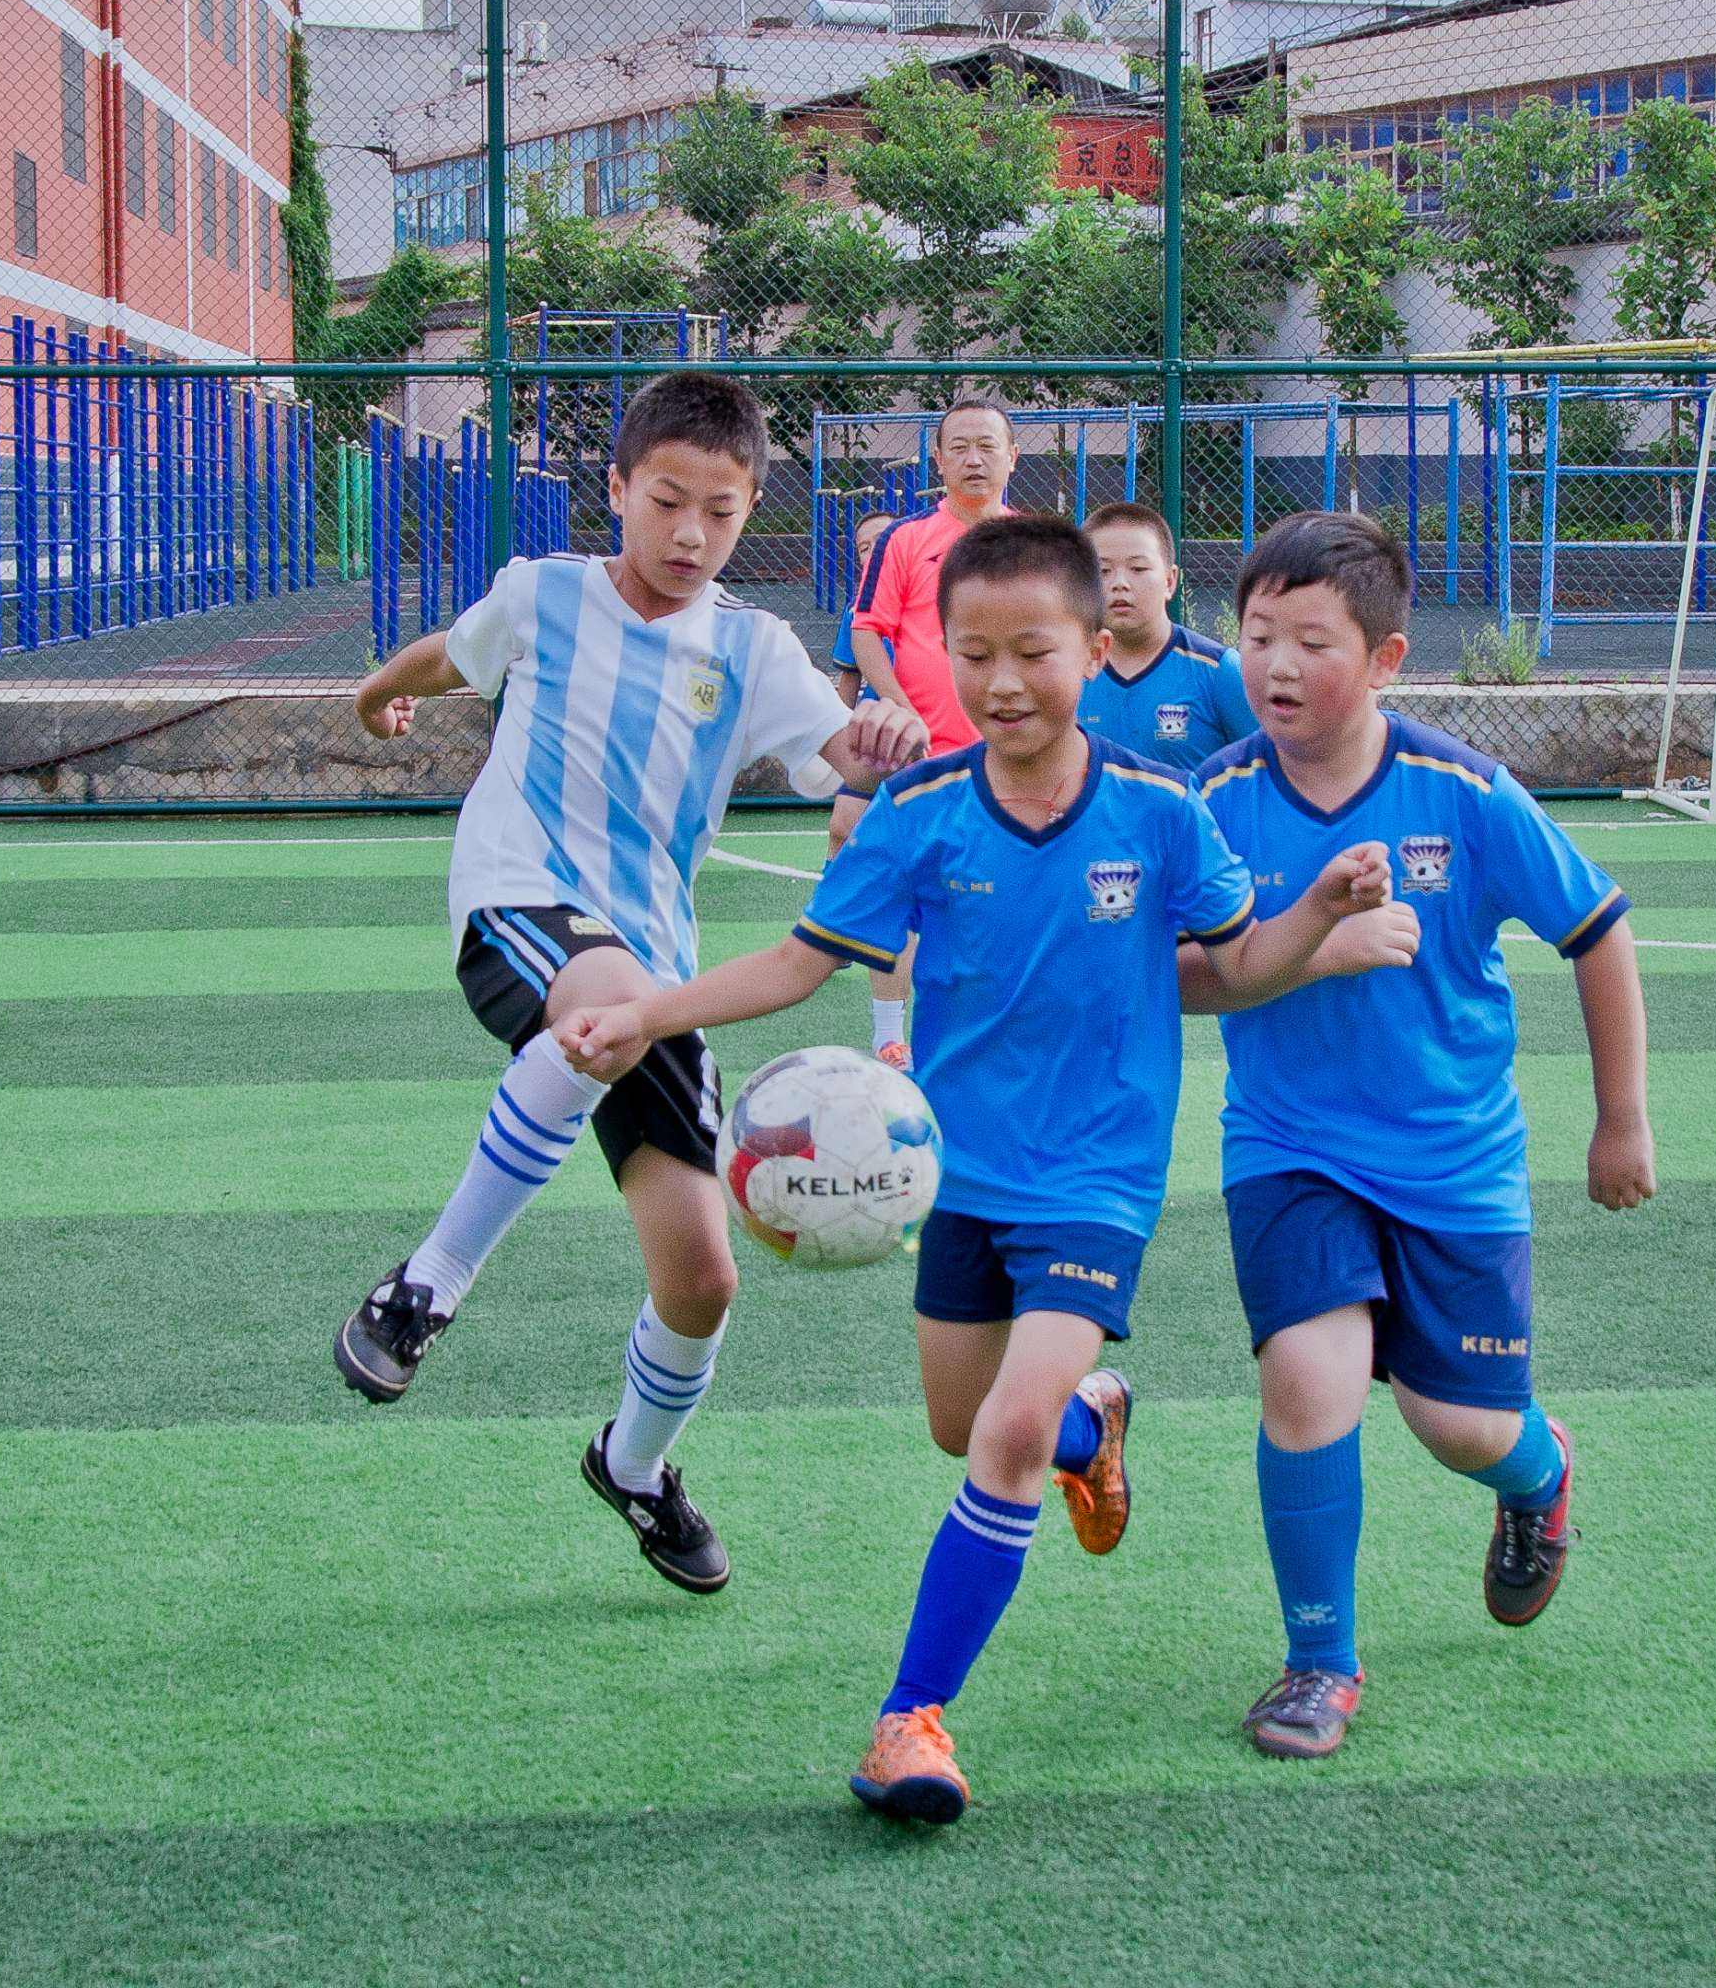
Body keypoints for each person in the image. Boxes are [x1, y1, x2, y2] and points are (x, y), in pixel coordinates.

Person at [555, 515, 1395, 1823]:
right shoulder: (919, 813)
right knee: (969, 1424)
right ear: (945, 655)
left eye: (1033, 651)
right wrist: (649, 1013)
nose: (1004, 682)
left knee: (991, 1435)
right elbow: (796, 963)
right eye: (976, 653)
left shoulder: (1160, 813)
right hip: (949, 1175)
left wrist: (1318, 923)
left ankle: (911, 1723)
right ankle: (1087, 1425)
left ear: (1094, 642)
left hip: (1097, 1180)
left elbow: (1234, 970)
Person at [333, 372, 928, 1597]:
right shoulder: (540, 594)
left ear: (750, 505)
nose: (690, 534)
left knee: (702, 1278)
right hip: (518, 901)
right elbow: (450, 659)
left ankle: (636, 1464)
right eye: (666, 501)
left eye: (720, 509)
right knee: (600, 1010)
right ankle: (425, 1285)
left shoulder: (751, 646)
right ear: (614, 488)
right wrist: (375, 694)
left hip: (652, 957)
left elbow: (839, 755)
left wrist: (878, 750)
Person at [1182, 511, 1654, 1762]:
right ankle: (1317, 1662)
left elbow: (1597, 930)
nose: (1273, 665)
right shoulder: (1213, 798)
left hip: (1453, 1158)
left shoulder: (1463, 793)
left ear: (1385, 659)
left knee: (1453, 1423)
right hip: (1286, 1145)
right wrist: (1310, 945)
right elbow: (1171, 970)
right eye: (1255, 635)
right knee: (1308, 1379)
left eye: (1308, 642)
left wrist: (1620, 1121)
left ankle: (1537, 1474)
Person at [846, 399, 1022, 1071]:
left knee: (1001, 898)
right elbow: (868, 631)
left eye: (988, 446)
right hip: (921, 761)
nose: (975, 459)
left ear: (1012, 458)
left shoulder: (1033, 543)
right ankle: (891, 1037)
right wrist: (901, 713)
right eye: (961, 448)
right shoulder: (905, 540)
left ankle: (991, 1031)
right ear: (939, 462)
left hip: (1006, 761)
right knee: (904, 895)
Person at [1076, 500, 1256, 774]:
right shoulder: (1067, 672)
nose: (1120, 583)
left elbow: (1265, 774)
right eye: (1103, 571)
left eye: (1138, 569)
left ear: (1170, 581)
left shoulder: (1220, 672)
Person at [825, 511, 902, 862]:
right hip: (875, 734)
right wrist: (837, 735)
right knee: (843, 826)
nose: (873, 552)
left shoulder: (933, 601)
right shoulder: (856, 610)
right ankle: (831, 914)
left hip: (928, 730)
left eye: (881, 541)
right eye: (863, 548)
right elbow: (848, 680)